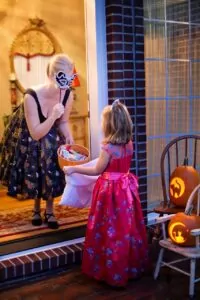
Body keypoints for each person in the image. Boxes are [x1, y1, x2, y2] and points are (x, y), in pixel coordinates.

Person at [63, 100, 149, 287]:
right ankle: (129, 267)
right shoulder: (129, 144)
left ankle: (109, 271)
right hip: (126, 189)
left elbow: (97, 170)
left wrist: (74, 170)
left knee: (107, 228)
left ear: (109, 124)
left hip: (110, 192)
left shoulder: (108, 147)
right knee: (125, 228)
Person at [0, 53, 75, 229]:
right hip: (30, 132)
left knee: (51, 166)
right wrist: (52, 116)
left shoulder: (67, 95)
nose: (66, 84)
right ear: (51, 76)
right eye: (62, 78)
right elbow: (35, 133)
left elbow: (63, 122)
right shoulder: (31, 96)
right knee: (34, 166)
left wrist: (69, 135)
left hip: (50, 132)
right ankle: (35, 208)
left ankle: (49, 210)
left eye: (70, 77)